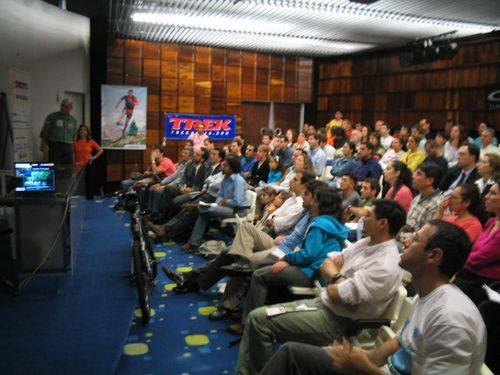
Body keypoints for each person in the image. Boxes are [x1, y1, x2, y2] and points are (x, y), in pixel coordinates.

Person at [259, 221, 486, 375]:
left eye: (415, 239)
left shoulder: (451, 321)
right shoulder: (427, 296)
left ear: (434, 256)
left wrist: (365, 368)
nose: (405, 241)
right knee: (292, 353)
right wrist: (365, 357)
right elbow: (401, 341)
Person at [236, 200, 407, 374]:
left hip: (338, 321)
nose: (363, 217)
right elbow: (327, 262)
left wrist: (335, 277)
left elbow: (335, 289)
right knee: (257, 318)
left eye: (369, 215)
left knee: (259, 321)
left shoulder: (385, 264)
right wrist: (339, 278)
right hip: (325, 305)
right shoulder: (368, 242)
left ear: (383, 223)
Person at [241, 184, 346, 321]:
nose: (312, 202)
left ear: (320, 204)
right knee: (267, 267)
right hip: (318, 269)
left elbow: (308, 255)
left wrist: (287, 259)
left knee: (260, 275)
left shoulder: (320, 224)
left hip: (312, 272)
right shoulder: (333, 223)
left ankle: (250, 321)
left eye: (315, 200)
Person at [182, 155, 249, 251]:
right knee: (203, 213)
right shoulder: (225, 178)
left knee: (204, 209)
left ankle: (197, 207)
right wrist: (220, 201)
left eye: (225, 166)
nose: (222, 167)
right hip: (225, 207)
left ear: (232, 169)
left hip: (238, 210)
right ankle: (193, 243)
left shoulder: (239, 181)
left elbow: (237, 202)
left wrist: (225, 202)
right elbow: (219, 195)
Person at [454, 180, 500, 305]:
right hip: (469, 273)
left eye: (493, 193)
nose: (486, 196)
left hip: (486, 284)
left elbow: (480, 258)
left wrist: (452, 264)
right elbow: (473, 250)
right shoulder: (491, 222)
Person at [40, 98, 78, 165]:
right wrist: (51, 145)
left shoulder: (73, 120)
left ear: (71, 108)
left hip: (68, 146)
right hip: (55, 146)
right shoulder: (52, 117)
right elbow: (44, 133)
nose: (63, 108)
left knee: (68, 168)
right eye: (62, 105)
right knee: (55, 169)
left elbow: (73, 135)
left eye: (66, 106)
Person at [72, 124, 103, 200]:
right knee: (78, 183)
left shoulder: (90, 142)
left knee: (89, 183)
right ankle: (78, 199)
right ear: (78, 132)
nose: (82, 131)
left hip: (88, 164)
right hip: (78, 165)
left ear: (87, 132)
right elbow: (72, 153)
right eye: (81, 129)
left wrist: (93, 157)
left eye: (84, 129)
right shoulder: (74, 142)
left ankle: (89, 200)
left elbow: (100, 150)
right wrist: (73, 163)